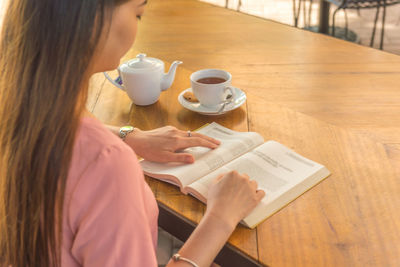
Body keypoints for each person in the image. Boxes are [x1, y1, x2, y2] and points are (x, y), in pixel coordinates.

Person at [0, 0, 266, 266]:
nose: (137, 25)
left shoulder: (17, 106)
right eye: (138, 13)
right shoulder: (107, 165)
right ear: (93, 19)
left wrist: (128, 135)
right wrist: (220, 218)